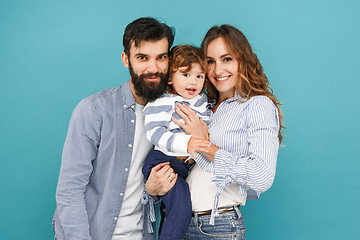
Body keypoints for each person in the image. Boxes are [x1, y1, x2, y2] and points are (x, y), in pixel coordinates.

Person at [52, 17, 178, 240]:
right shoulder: (93, 110)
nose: (153, 67)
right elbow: (69, 192)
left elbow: (152, 187)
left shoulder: (171, 114)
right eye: (142, 57)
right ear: (126, 59)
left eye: (161, 57)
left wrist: (154, 192)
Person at [172, 24, 284, 239]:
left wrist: (205, 144)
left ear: (243, 60)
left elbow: (261, 177)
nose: (217, 70)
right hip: (179, 222)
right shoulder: (203, 106)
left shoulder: (256, 105)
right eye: (210, 61)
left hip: (217, 226)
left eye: (227, 59)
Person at [141, 45, 211, 240]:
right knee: (181, 206)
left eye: (199, 76)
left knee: (176, 209)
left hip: (185, 166)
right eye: (186, 74)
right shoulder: (161, 101)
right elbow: (155, 133)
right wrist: (187, 144)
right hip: (162, 160)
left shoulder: (202, 101)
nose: (193, 81)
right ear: (170, 78)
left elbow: (208, 129)